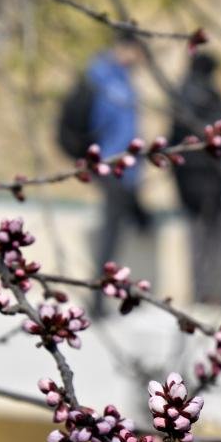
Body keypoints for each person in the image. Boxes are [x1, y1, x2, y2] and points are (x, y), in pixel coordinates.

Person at [169, 53, 221, 307]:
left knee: (205, 239)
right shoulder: (200, 97)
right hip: (209, 181)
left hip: (196, 182)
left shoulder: (184, 95)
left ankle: (207, 293)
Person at [85, 35, 148, 317]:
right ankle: (99, 297)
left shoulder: (121, 79)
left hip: (125, 168)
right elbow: (101, 123)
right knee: (110, 233)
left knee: (123, 227)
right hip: (112, 164)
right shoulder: (105, 79)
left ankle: (106, 292)